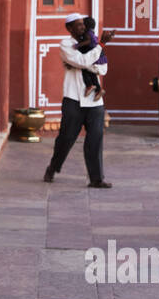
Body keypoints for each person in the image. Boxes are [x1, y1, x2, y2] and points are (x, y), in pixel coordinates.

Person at [43, 13, 115, 188]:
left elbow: (102, 68)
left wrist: (85, 60)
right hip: (73, 99)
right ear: (69, 28)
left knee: (95, 139)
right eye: (78, 25)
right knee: (66, 138)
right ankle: (53, 167)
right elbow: (82, 61)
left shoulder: (93, 42)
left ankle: (96, 178)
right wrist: (99, 48)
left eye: (83, 24)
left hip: (94, 101)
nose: (83, 28)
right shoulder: (66, 44)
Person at [77, 15, 108, 100]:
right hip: (101, 63)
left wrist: (77, 45)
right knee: (91, 71)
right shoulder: (93, 34)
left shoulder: (88, 34)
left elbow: (88, 41)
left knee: (83, 67)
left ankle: (89, 85)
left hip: (97, 63)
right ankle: (98, 89)